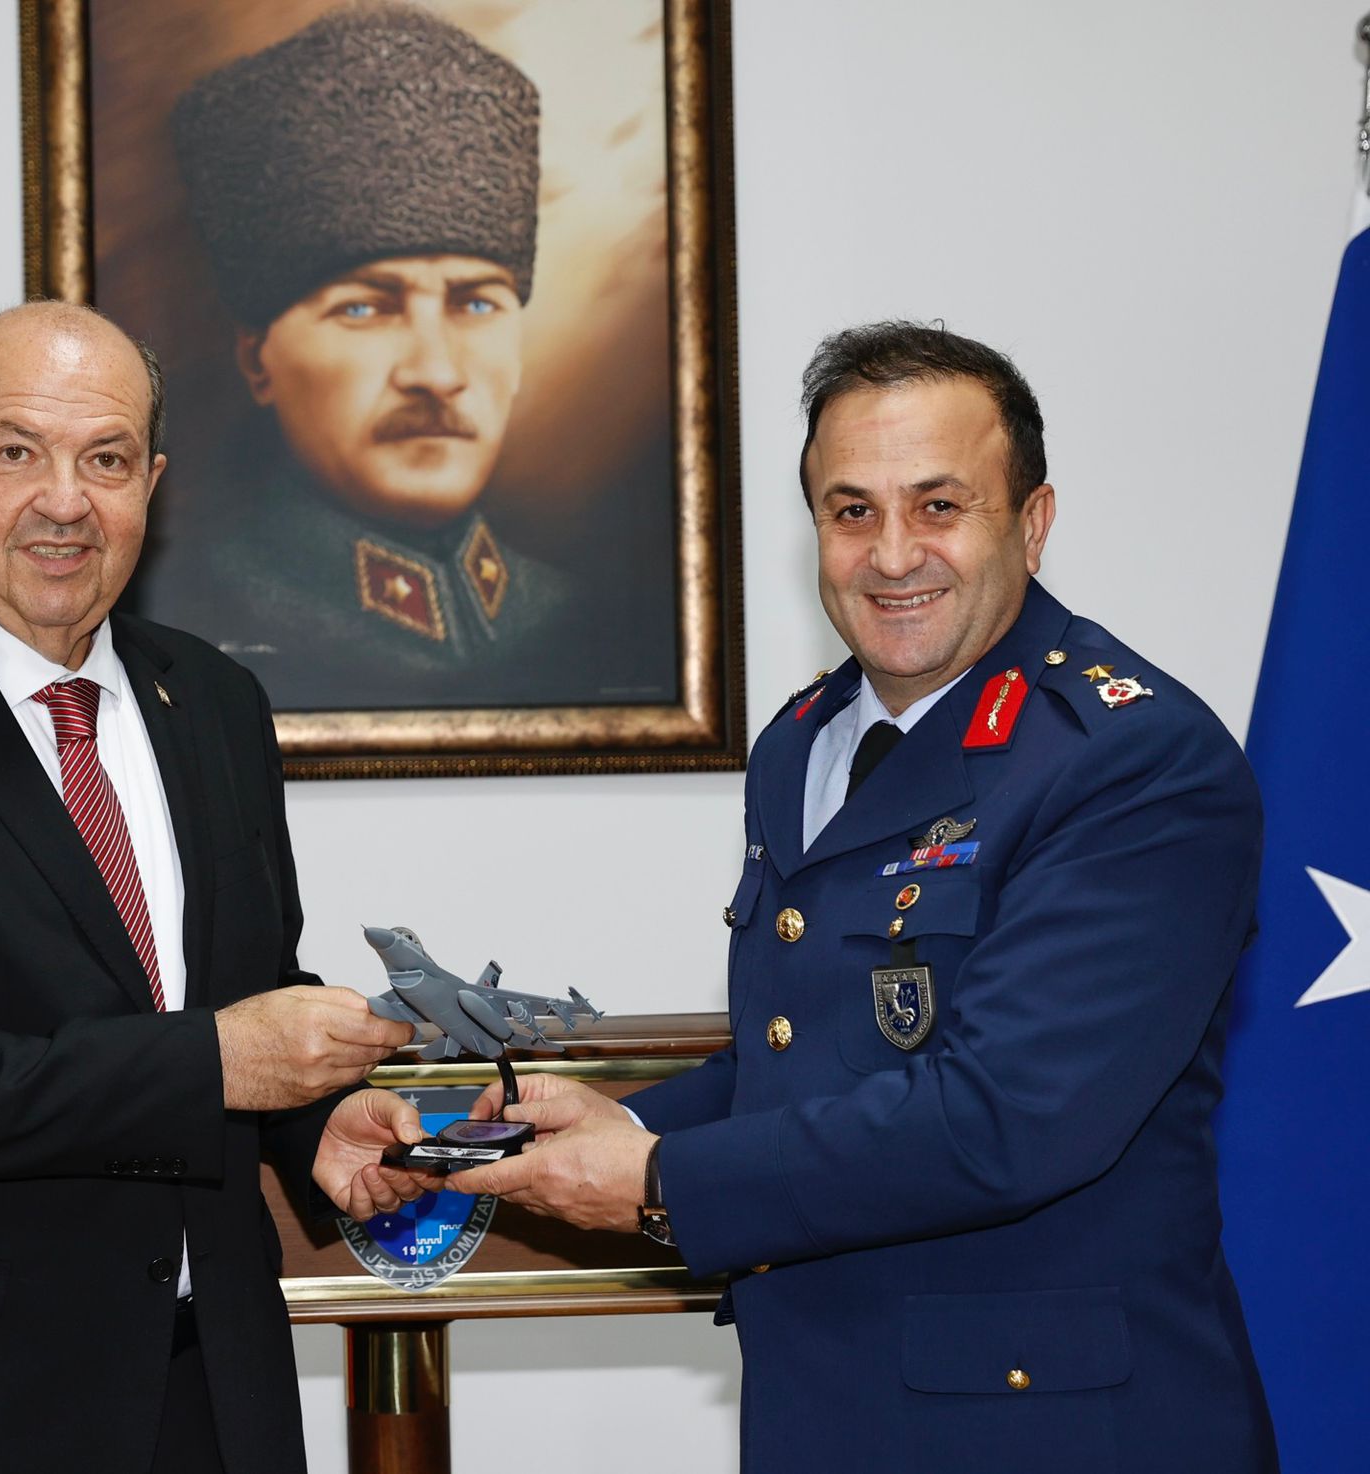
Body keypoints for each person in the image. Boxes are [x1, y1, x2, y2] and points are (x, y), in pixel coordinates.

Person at [447, 322, 1279, 1473]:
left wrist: (654, 1179)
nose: (891, 554)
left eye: (938, 506)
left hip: (1045, 1427)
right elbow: (820, 1050)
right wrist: (623, 1123)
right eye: (850, 511)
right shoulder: (802, 741)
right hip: (823, 1404)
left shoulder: (1131, 760)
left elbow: (1003, 1119)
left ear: (1030, 523)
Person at [0, 302, 426, 1474]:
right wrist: (211, 1062)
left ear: (151, 485)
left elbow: (237, 985)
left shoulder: (214, 702)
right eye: (16, 452)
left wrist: (312, 1121)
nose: (64, 500)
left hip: (210, 1388)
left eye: (105, 459)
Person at [154, 4, 668, 711]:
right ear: (257, 362)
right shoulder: (192, 625)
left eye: (477, 304)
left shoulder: (577, 617)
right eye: (364, 308)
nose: (437, 373)